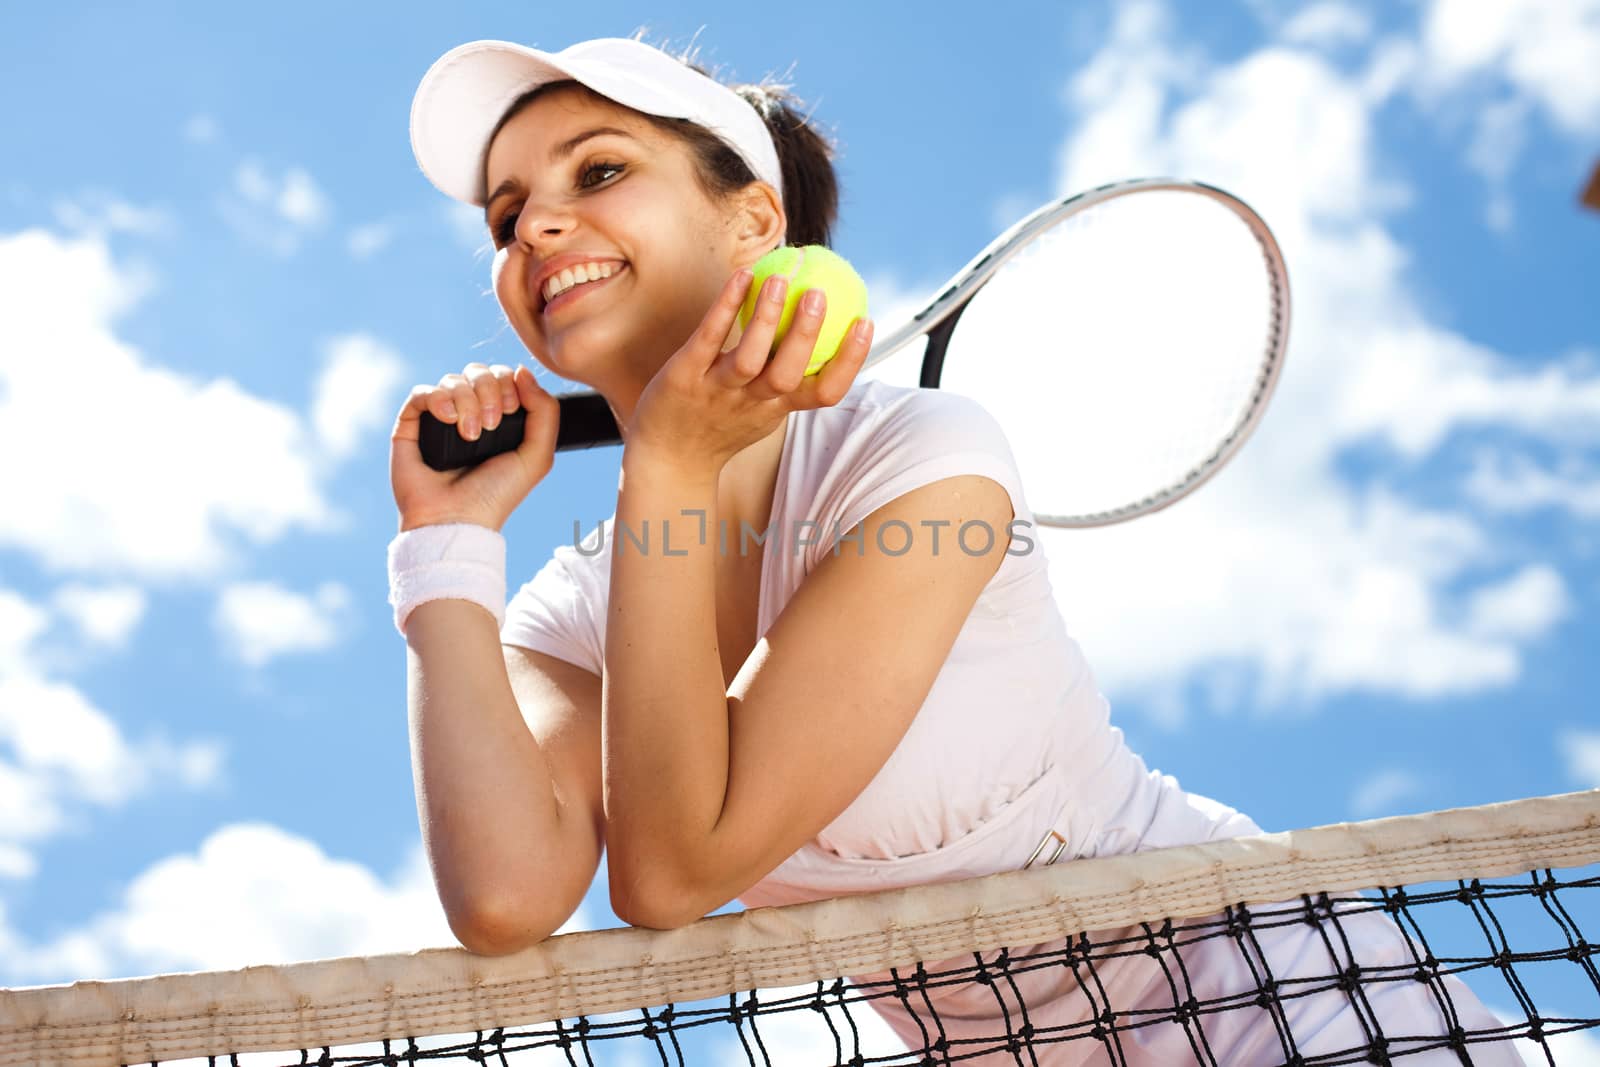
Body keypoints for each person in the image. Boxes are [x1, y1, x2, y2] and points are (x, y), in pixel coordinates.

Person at [386, 33, 1522, 1065]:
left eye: (596, 172)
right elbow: (504, 898)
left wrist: (672, 462)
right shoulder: (571, 609)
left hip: (1280, 997)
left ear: (753, 225)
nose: (533, 226)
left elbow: (672, 870)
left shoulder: (926, 459)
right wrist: (445, 547)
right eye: (504, 214)